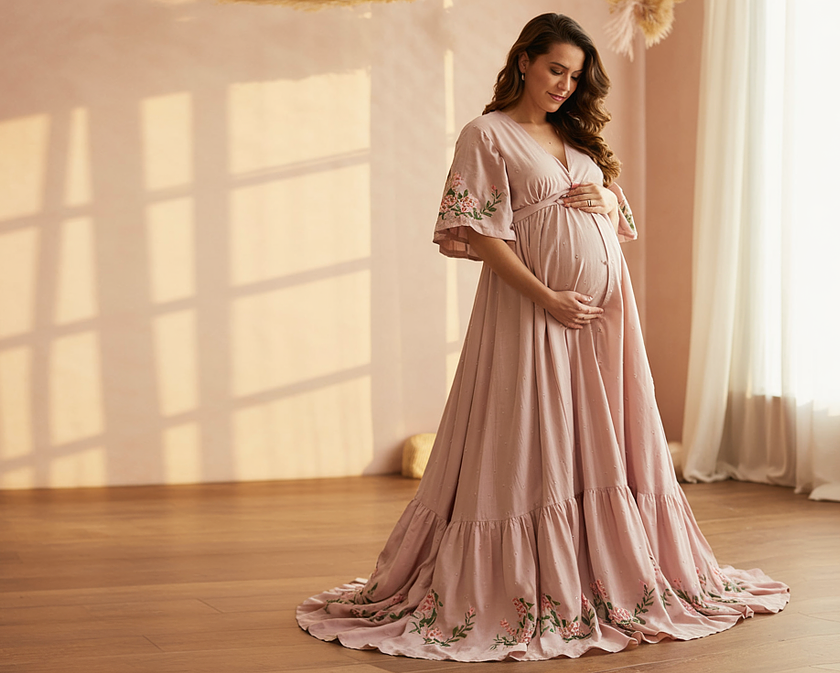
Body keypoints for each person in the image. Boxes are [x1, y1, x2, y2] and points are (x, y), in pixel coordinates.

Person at [296, 13, 789, 662]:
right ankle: (525, 582)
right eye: (556, 68)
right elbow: (482, 234)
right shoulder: (487, 134)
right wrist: (548, 296)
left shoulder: (573, 138)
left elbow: (618, 214)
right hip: (533, 312)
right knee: (535, 438)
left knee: (599, 438)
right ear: (524, 60)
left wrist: (608, 205)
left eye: (576, 75)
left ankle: (607, 568)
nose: (564, 83)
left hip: (604, 323)